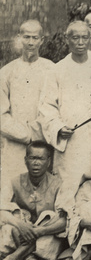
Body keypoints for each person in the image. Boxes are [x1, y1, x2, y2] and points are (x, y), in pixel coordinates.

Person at [38, 21, 91, 202]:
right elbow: (47, 107)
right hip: (71, 143)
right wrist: (59, 127)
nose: (80, 42)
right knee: (67, 190)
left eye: (85, 37)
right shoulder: (57, 70)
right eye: (75, 38)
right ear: (67, 39)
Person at [0, 141, 68, 260]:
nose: (36, 163)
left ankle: (14, 257)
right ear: (25, 160)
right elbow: (1, 209)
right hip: (20, 232)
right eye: (32, 158)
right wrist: (21, 225)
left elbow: (65, 221)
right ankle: (30, 257)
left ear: (48, 162)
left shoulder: (59, 184)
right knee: (12, 214)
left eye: (41, 159)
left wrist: (39, 231)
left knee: (51, 216)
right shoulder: (14, 181)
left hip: (45, 234)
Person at [1, 20, 54, 186]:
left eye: (35, 38)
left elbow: (54, 107)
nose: (31, 42)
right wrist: (25, 135)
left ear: (42, 40)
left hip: (43, 142)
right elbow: (1, 114)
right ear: (19, 38)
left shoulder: (51, 69)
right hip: (14, 144)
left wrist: (38, 134)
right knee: (11, 189)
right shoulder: (6, 72)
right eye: (26, 37)